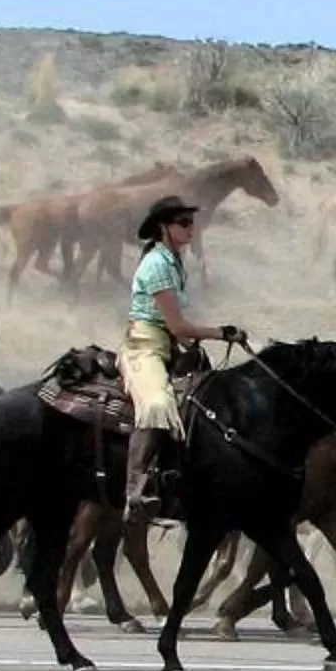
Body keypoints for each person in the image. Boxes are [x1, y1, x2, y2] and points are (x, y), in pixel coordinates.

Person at [122, 195, 245, 518]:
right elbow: (176, 324)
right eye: (184, 222)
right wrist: (221, 332)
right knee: (157, 405)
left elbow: (177, 331)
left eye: (192, 222)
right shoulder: (158, 264)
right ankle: (135, 490)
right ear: (164, 227)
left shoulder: (173, 262)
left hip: (166, 345)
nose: (191, 228)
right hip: (144, 347)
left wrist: (193, 347)